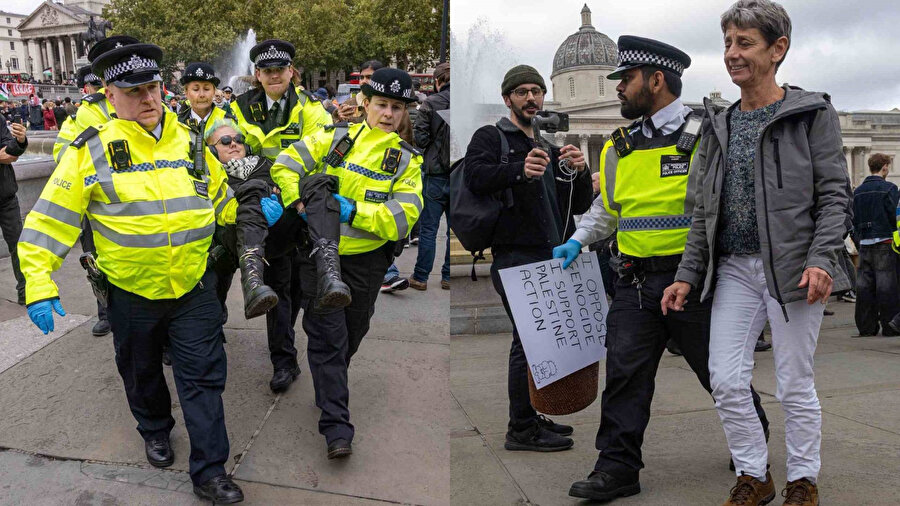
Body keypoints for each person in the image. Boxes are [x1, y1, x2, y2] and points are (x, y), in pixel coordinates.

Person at [17, 41, 251, 504]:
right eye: (134, 90)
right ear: (109, 95)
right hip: (130, 291)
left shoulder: (194, 141)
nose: (148, 99)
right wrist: (39, 283)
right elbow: (49, 221)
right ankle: (156, 429)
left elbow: (218, 198)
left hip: (193, 285)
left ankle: (211, 470)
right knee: (142, 372)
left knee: (204, 377)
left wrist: (247, 207)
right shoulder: (90, 151)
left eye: (154, 87)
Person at [556, 36, 769, 502]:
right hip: (632, 280)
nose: (618, 89)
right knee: (625, 378)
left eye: (626, 80)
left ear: (656, 80)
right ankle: (616, 468)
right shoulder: (617, 146)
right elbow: (606, 211)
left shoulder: (708, 135)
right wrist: (574, 241)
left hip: (692, 282)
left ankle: (754, 439)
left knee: (719, 374)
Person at [662, 2, 851, 504]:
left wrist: (821, 259)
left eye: (744, 43)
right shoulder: (717, 124)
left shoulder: (811, 114)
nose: (731, 54)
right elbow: (702, 209)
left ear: (777, 49)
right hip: (733, 270)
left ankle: (803, 480)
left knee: (793, 383)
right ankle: (754, 474)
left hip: (791, 270)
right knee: (725, 380)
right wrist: (687, 273)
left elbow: (834, 196)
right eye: (727, 43)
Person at [270, 67, 423, 459]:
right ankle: (337, 427)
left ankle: (328, 385)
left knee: (352, 335)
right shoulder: (332, 137)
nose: (388, 114)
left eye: (397, 107)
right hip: (319, 258)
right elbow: (284, 166)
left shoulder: (407, 161)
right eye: (382, 105)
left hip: (366, 265)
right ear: (365, 103)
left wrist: (356, 213)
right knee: (327, 340)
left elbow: (404, 217)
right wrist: (299, 203)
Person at [464, 64, 593, 453]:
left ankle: (531, 413)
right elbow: (475, 176)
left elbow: (580, 204)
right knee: (527, 342)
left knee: (541, 341)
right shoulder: (490, 137)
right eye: (522, 91)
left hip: (551, 254)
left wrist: (581, 172)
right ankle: (519, 428)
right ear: (508, 99)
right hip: (514, 255)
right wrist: (518, 171)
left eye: (536, 91)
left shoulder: (550, 146)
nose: (531, 98)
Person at [229, 38, 332, 393]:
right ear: (257, 74)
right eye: (267, 71)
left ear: (291, 72)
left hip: (299, 206)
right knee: (277, 289)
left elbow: (320, 153)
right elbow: (231, 153)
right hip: (262, 207)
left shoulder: (311, 108)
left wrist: (291, 193)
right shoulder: (239, 107)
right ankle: (283, 360)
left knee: (301, 288)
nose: (274, 76)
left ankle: (293, 350)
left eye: (280, 69)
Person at [53, 36, 140, 338]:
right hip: (101, 202)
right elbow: (64, 155)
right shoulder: (81, 115)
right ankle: (106, 310)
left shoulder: (149, 102)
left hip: (142, 199)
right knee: (96, 259)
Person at [409, 62, 450, 291]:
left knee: (428, 229)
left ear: (437, 81)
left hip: (435, 174)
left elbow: (421, 139)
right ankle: (447, 277)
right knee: (453, 229)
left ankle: (421, 277)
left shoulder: (431, 103)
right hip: (457, 173)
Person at [852, 153, 899, 336]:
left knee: (864, 287)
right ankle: (890, 326)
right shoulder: (890, 188)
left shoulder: (858, 191)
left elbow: (853, 219)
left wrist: (858, 239)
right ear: (885, 167)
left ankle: (866, 327)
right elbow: (894, 217)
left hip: (864, 242)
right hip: (885, 241)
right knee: (887, 286)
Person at [0, 116, 28, 305]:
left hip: (6, 196)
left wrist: (20, 141)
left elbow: (11, 154)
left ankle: (25, 290)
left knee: (18, 245)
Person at [336, 60, 382, 124]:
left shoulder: (390, 104)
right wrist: (339, 119)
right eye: (362, 77)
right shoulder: (349, 104)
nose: (363, 81)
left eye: (369, 77)